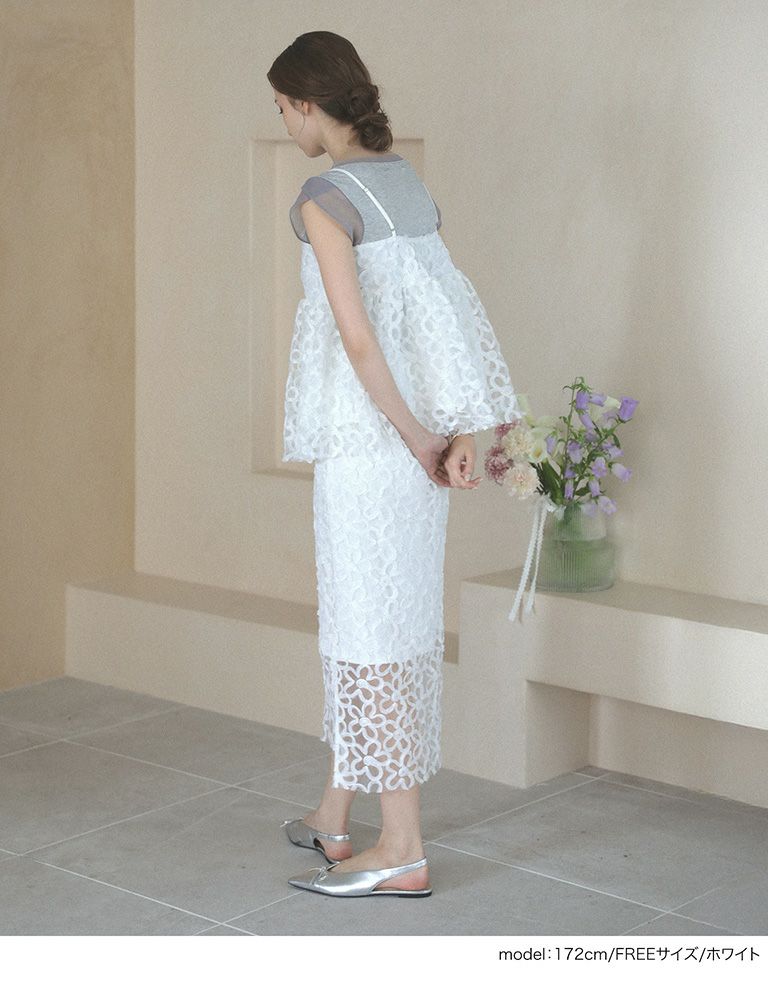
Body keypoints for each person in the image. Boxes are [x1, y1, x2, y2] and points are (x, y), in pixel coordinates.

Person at [267, 31, 522, 898]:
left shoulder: (323, 198)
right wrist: (461, 429)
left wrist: (416, 437)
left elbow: (360, 339)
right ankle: (334, 815)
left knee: (368, 635)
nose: (285, 123)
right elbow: (449, 314)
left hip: (374, 445)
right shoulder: (407, 184)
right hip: (418, 449)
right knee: (387, 623)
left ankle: (402, 849)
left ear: (308, 105)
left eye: (283, 107)